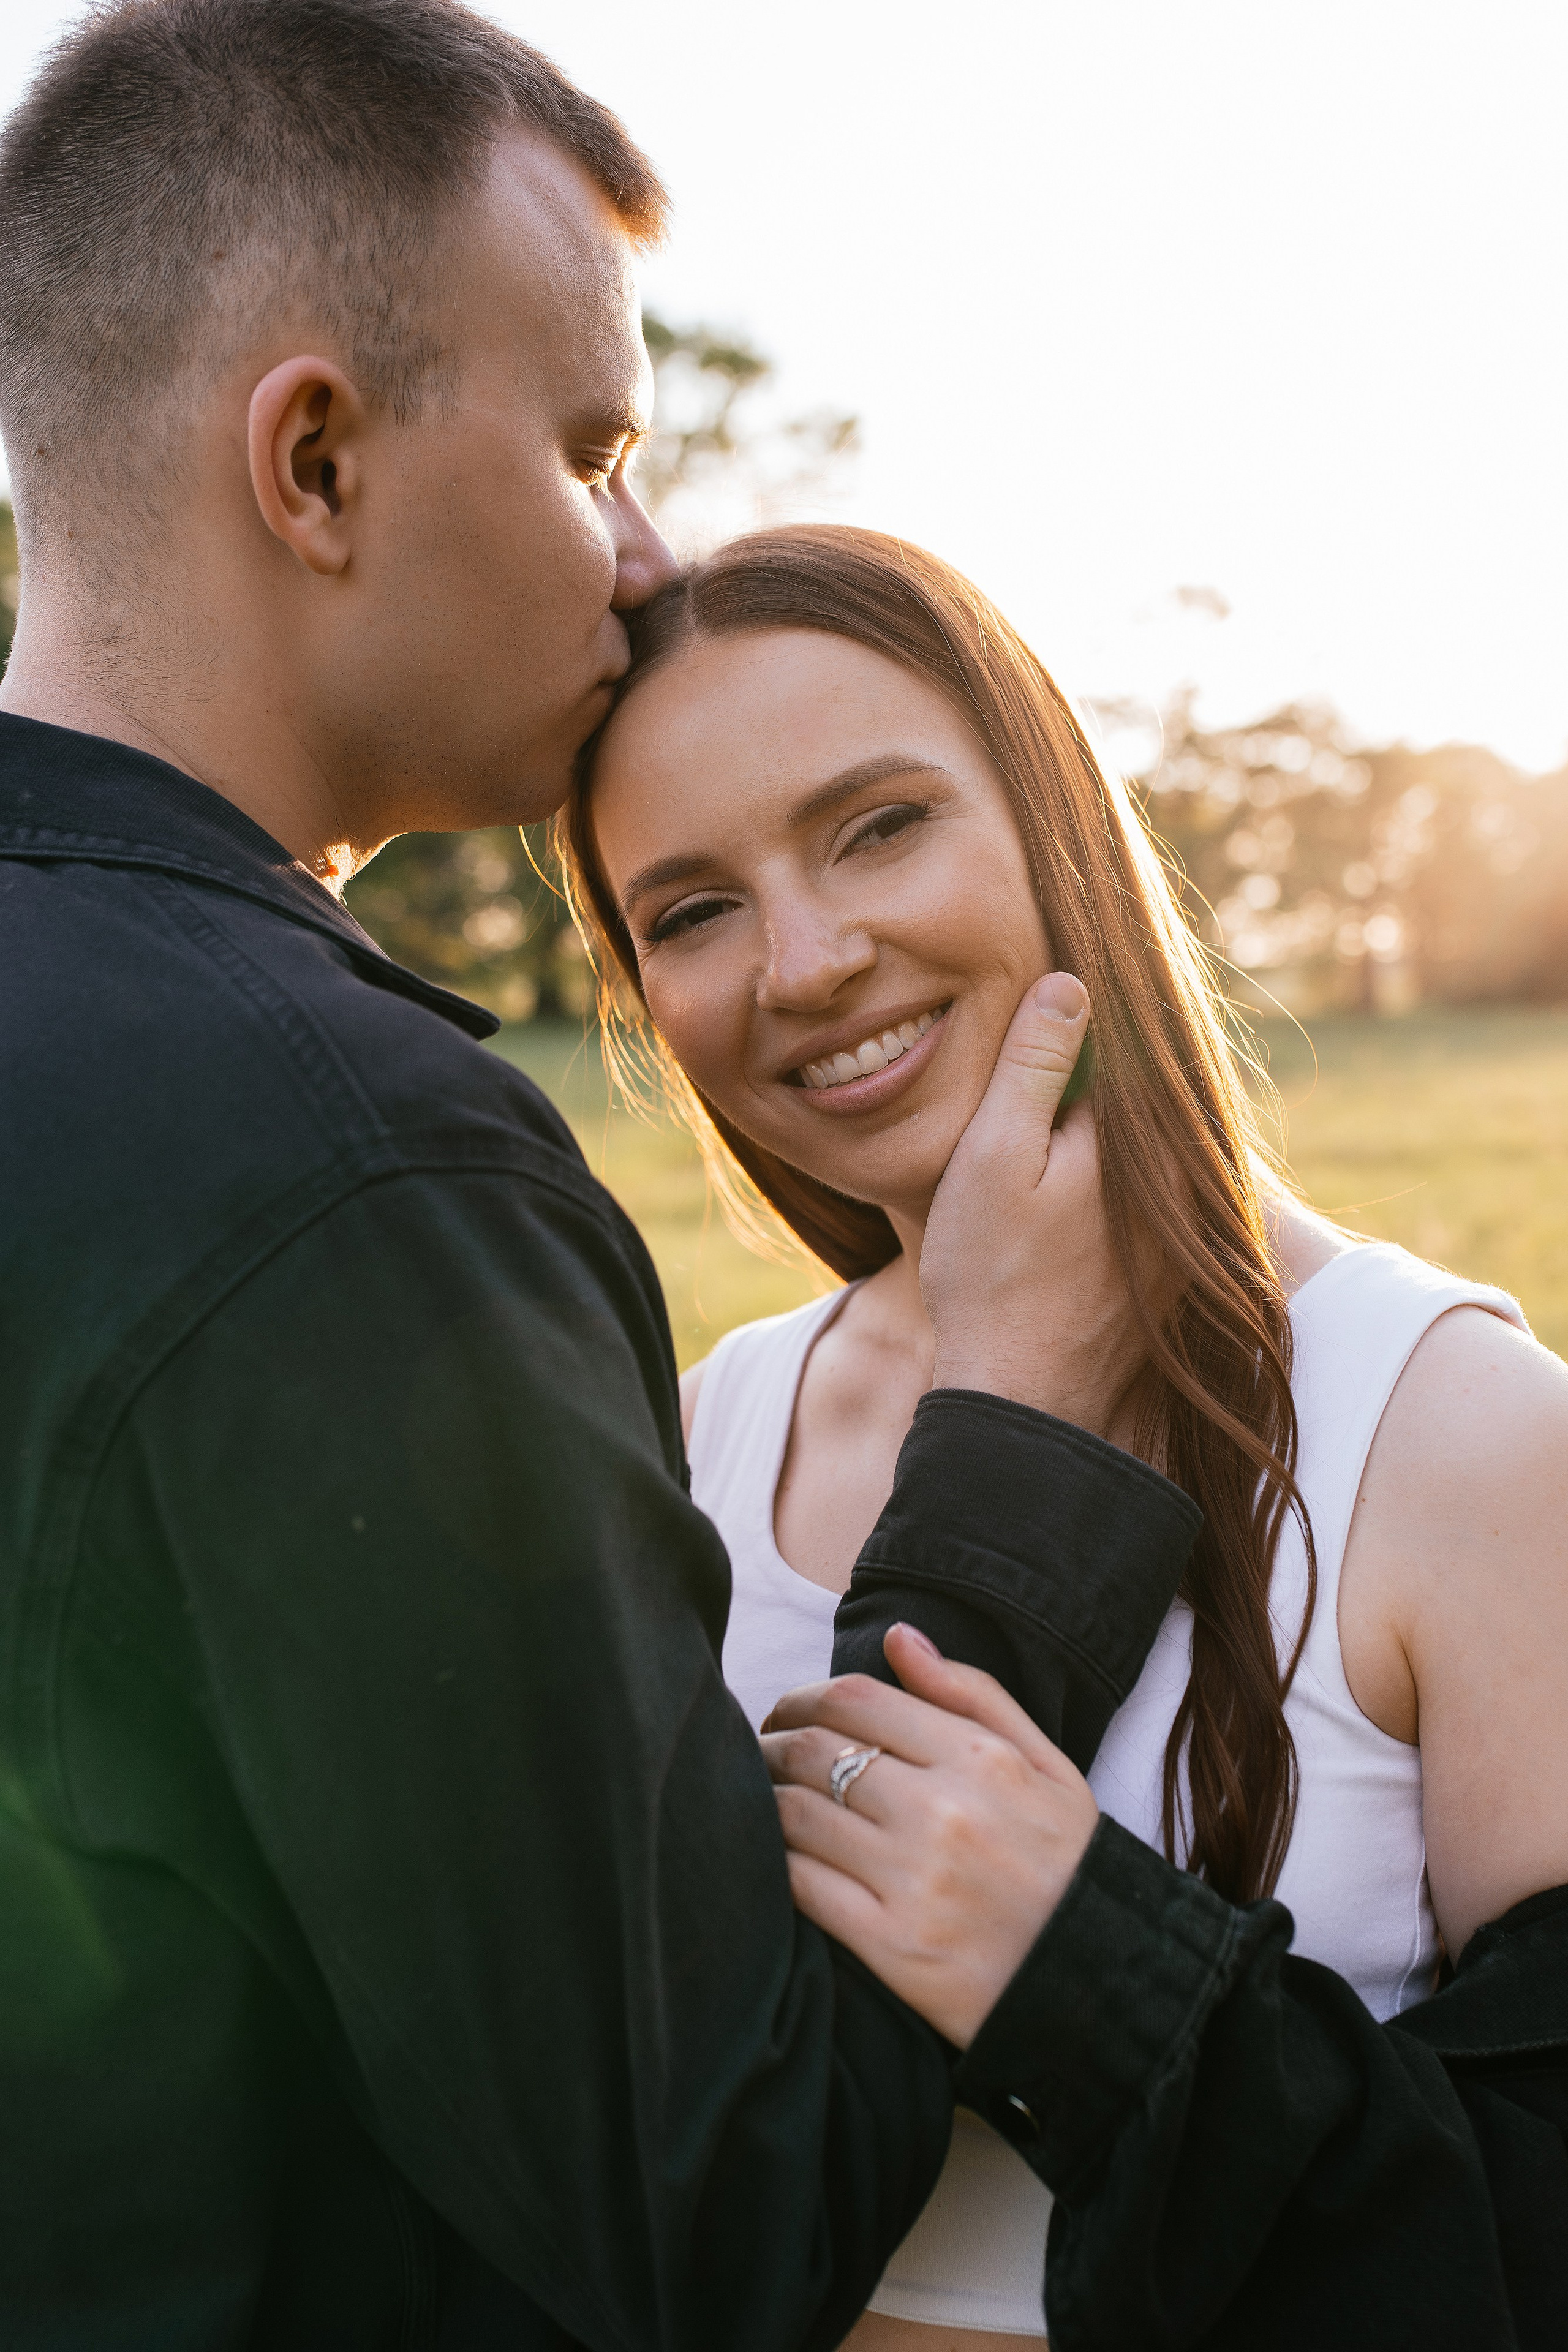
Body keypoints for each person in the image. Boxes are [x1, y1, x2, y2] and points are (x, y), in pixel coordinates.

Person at [0, 6, 1208, 2346]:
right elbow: (717, 2215)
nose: (646, 555)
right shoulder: (349, 1174)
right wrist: (1023, 1457)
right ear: (317, 459)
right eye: (589, 448)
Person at [568, 523, 1568, 2350]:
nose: (803, 962)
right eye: (693, 910)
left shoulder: (1461, 1431)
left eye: (879, 826)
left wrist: (1091, 1966)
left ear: (1058, 828)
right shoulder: (703, 1430)